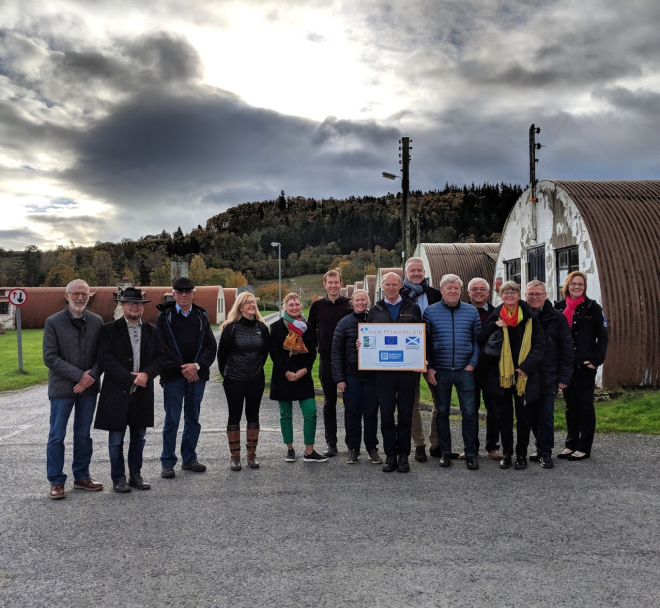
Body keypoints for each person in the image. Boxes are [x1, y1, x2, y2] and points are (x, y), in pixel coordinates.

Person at [94, 288, 165, 493]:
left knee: (138, 438)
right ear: (122, 305)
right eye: (130, 303)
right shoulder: (108, 330)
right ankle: (118, 478)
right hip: (116, 392)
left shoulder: (153, 331)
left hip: (142, 392)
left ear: (143, 306)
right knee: (116, 439)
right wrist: (128, 378)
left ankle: (135, 475)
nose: (135, 306)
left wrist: (146, 374)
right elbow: (105, 358)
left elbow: (161, 358)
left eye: (139, 303)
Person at [43, 279, 104, 500]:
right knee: (57, 435)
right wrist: (80, 376)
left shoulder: (97, 321)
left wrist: (91, 377)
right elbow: (50, 357)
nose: (80, 298)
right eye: (76, 294)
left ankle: (82, 476)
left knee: (83, 434)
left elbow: (103, 355)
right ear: (66, 295)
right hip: (62, 389)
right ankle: (56, 481)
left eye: (84, 294)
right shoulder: (53, 322)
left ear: (89, 296)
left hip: (88, 389)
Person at [477, 281, 545, 470]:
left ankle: (521, 454)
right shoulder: (495, 315)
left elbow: (539, 345)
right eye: (505, 292)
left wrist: (527, 366)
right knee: (504, 417)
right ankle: (507, 453)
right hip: (501, 376)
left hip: (524, 375)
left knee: (524, 418)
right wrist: (494, 325)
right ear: (500, 295)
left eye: (513, 291)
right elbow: (481, 340)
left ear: (518, 294)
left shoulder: (530, 317)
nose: (509, 295)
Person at [156, 277, 217, 478]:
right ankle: (168, 462)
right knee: (172, 419)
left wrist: (197, 366)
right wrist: (184, 368)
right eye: (179, 292)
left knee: (193, 418)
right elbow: (162, 347)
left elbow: (210, 346)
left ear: (193, 293)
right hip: (173, 376)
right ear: (173, 294)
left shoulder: (200, 316)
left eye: (187, 292)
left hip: (197, 376)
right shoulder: (164, 317)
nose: (184, 295)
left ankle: (189, 459)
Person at [424, 274, 482, 471]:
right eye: (448, 288)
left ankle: (471, 453)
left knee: (469, 413)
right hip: (440, 370)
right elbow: (426, 343)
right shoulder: (430, 312)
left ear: (461, 291)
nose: (452, 291)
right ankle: (445, 452)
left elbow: (477, 341)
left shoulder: (471, 311)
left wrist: (472, 364)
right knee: (442, 412)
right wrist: (430, 367)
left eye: (456, 288)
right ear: (441, 290)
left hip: (465, 370)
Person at [367, 272, 422, 473]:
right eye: (387, 285)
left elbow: (421, 337)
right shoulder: (375, 310)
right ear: (383, 286)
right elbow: (369, 338)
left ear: (400, 286)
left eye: (394, 284)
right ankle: (390, 455)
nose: (391, 288)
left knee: (406, 414)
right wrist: (362, 345)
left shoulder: (412, 308)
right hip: (383, 374)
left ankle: (403, 456)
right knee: (388, 415)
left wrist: (421, 357)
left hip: (407, 372)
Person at [555, 271, 608, 461]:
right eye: (573, 284)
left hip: (584, 366)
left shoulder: (593, 308)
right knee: (570, 405)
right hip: (566, 365)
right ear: (567, 286)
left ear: (584, 287)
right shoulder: (559, 307)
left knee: (585, 405)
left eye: (581, 284)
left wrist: (595, 360)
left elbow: (603, 336)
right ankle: (571, 443)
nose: (577, 287)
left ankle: (584, 446)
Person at [269, 293, 328, 462]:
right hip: (283, 375)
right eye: (290, 305)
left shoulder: (308, 327)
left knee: (311, 412)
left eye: (297, 304)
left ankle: (309, 451)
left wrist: (304, 370)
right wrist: (287, 372)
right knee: (285, 414)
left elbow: (312, 352)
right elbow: (274, 353)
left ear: (301, 306)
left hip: (303, 374)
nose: (294, 307)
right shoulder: (276, 327)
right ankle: (290, 448)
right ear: (285, 307)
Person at [217, 292, 269, 471]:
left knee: (253, 415)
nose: (251, 305)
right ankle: (235, 456)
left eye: (253, 302)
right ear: (240, 307)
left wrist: (254, 368)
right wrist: (228, 373)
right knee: (234, 415)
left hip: (256, 378)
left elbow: (264, 354)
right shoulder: (230, 328)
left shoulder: (262, 328)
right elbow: (221, 355)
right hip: (234, 379)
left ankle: (251, 455)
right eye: (247, 303)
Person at [525, 280, 574, 469]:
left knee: (546, 415)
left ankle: (545, 452)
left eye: (538, 294)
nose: (535, 297)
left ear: (545, 296)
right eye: (531, 294)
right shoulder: (522, 316)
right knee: (531, 416)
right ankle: (539, 447)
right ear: (526, 296)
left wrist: (564, 377)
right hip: (527, 376)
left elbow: (566, 349)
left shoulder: (557, 318)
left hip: (549, 375)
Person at [399, 257, 442, 463]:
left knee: (439, 401)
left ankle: (436, 443)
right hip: (409, 356)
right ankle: (419, 444)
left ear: (424, 272)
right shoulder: (399, 296)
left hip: (434, 354)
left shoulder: (436, 294)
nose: (416, 273)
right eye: (412, 270)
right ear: (405, 273)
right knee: (413, 403)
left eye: (419, 270)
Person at [331, 288, 380, 465]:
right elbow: (336, 352)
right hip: (351, 376)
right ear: (352, 302)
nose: (360, 303)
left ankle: (372, 448)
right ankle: (353, 448)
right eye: (357, 300)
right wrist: (339, 378)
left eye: (363, 300)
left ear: (368, 301)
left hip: (372, 377)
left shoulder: (375, 321)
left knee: (371, 414)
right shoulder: (344, 323)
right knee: (352, 413)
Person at [307, 270, 352, 457]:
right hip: (326, 361)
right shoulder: (316, 306)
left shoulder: (349, 304)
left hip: (348, 361)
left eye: (336, 282)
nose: (333, 285)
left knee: (350, 403)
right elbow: (309, 332)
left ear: (341, 284)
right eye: (330, 282)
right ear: (324, 285)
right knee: (329, 402)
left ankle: (352, 443)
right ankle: (331, 443)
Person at [467, 277, 502, 461]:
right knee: (470, 409)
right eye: (474, 289)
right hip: (469, 368)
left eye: (482, 289)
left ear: (488, 293)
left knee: (494, 409)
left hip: (492, 368)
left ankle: (492, 447)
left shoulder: (498, 313)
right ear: (469, 293)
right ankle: (471, 446)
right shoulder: (462, 311)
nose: (478, 292)